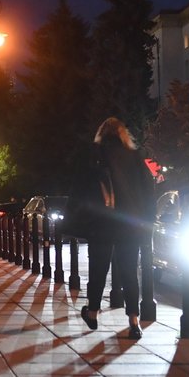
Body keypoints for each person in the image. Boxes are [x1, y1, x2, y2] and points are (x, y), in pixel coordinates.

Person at [74, 117, 155, 339]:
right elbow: (149, 191)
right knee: (129, 272)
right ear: (123, 135)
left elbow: (82, 189)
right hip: (130, 224)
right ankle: (134, 321)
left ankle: (92, 312)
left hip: (102, 223)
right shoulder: (136, 158)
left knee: (98, 269)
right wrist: (148, 220)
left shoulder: (95, 155)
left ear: (101, 135)